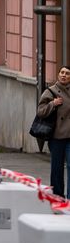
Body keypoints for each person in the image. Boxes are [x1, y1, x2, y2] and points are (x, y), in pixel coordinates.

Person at [37, 65, 70, 198]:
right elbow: (40, 111)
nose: (64, 75)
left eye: (67, 73)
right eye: (62, 72)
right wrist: (52, 104)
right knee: (57, 169)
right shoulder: (51, 91)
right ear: (58, 75)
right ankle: (57, 197)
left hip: (69, 137)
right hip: (56, 137)